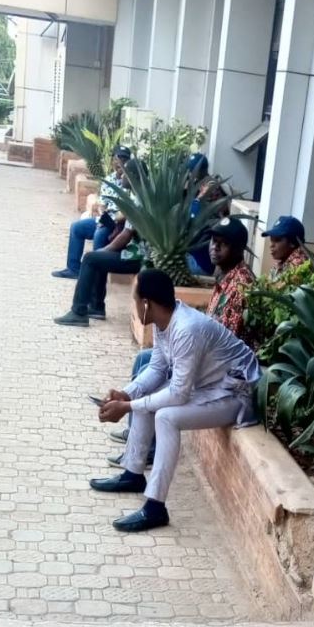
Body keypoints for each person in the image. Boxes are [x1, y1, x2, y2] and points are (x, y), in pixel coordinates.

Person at [89, 269, 261, 532]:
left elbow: (178, 394)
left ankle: (155, 508)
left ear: (146, 303)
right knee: (149, 400)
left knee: (166, 416)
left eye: (135, 300)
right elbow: (157, 368)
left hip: (235, 394)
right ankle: (133, 475)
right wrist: (127, 394)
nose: (133, 307)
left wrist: (128, 407)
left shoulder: (186, 329)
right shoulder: (163, 322)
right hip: (207, 386)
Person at [106, 216, 255, 466]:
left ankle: (146, 444)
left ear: (239, 249)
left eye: (223, 244)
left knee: (150, 372)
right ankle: (136, 439)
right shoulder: (224, 279)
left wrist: (131, 403)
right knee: (147, 363)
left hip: (220, 373)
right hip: (199, 353)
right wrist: (126, 395)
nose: (214, 248)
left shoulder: (241, 285)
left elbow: (227, 337)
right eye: (213, 241)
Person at [53, 160, 145, 326]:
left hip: (138, 258)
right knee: (98, 257)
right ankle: (96, 307)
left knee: (91, 258)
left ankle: (79, 312)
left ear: (132, 177)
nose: (121, 175)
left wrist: (104, 250)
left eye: (124, 173)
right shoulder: (141, 196)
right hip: (136, 253)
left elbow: (126, 235)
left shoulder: (138, 201)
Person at [52, 146, 131, 280]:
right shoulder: (109, 179)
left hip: (119, 224)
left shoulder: (129, 182)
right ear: (113, 160)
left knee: (99, 234)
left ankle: (95, 275)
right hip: (105, 219)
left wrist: (112, 220)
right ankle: (74, 269)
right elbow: (102, 202)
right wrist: (102, 214)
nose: (120, 162)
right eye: (118, 158)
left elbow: (128, 211)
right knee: (76, 228)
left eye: (124, 159)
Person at [263, 215, 308, 279]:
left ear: (292, 242)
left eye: (277, 240)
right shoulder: (284, 261)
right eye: (271, 240)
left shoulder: (297, 266)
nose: (271, 245)